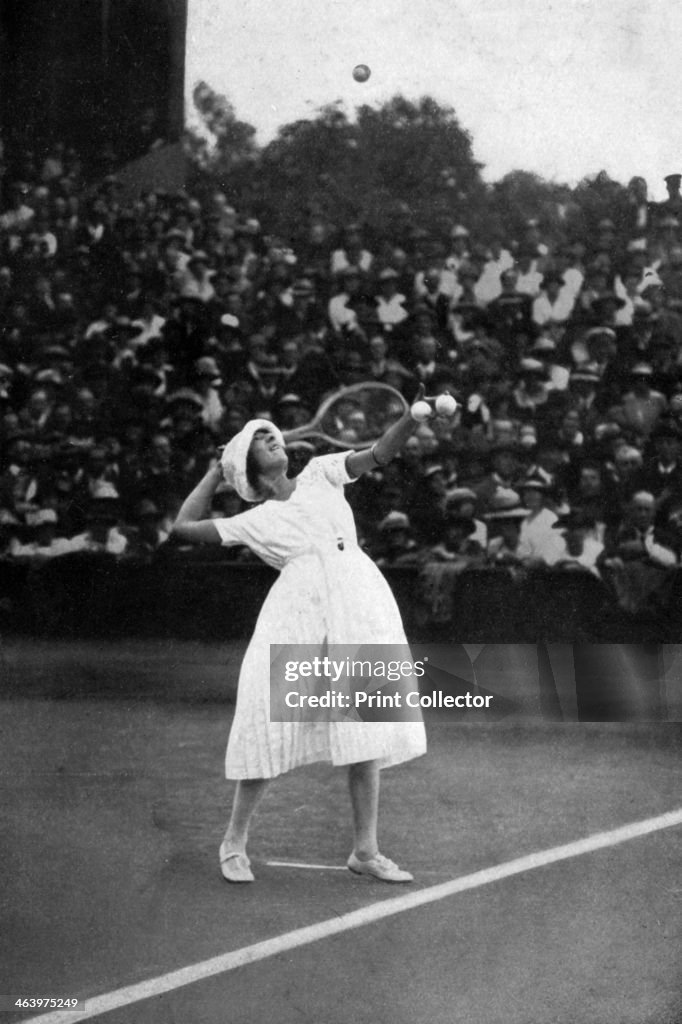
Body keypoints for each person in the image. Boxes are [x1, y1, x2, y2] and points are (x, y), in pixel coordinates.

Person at [171, 399, 429, 885]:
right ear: (247, 465)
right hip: (299, 614)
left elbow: (379, 453)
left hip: (359, 602)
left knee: (365, 723)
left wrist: (412, 419)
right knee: (270, 722)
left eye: (274, 434)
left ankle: (365, 851)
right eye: (262, 439)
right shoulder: (253, 521)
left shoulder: (321, 472)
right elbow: (182, 527)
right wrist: (212, 472)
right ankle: (233, 841)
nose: (275, 439)